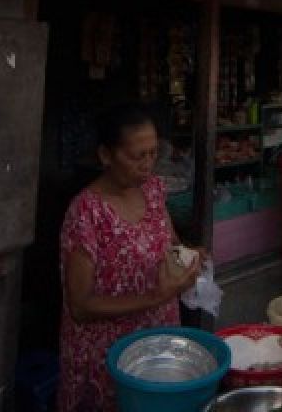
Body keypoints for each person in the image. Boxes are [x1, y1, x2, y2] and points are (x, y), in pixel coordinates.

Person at [58, 104, 202, 412]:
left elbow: (171, 244)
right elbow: (80, 306)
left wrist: (190, 257)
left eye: (153, 153)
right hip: (108, 358)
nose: (148, 164)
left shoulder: (152, 190)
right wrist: (154, 296)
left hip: (159, 342)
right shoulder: (85, 213)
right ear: (106, 155)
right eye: (138, 156)